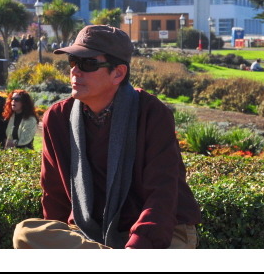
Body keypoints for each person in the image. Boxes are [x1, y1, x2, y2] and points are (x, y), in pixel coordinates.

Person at [12, 25, 201, 249]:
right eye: (73, 61)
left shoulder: (151, 113)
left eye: (88, 63)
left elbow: (162, 195)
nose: (75, 71)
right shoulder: (58, 117)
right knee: (25, 232)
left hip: (161, 230)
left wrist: (137, 247)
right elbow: (54, 194)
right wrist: (59, 243)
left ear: (118, 73)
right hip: (88, 231)